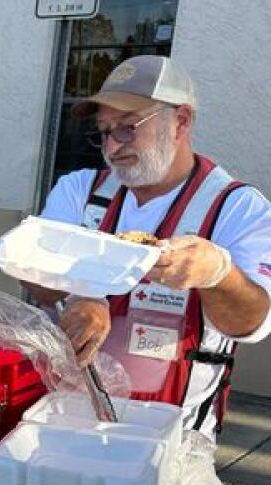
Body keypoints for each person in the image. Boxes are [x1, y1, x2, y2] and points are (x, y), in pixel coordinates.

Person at [27, 55, 271, 438]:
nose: (111, 146)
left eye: (126, 128)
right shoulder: (80, 189)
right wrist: (83, 292)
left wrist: (219, 275)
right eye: (103, 131)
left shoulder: (236, 207)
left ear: (181, 122)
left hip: (174, 434)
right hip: (69, 418)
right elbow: (35, 274)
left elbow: (252, 323)